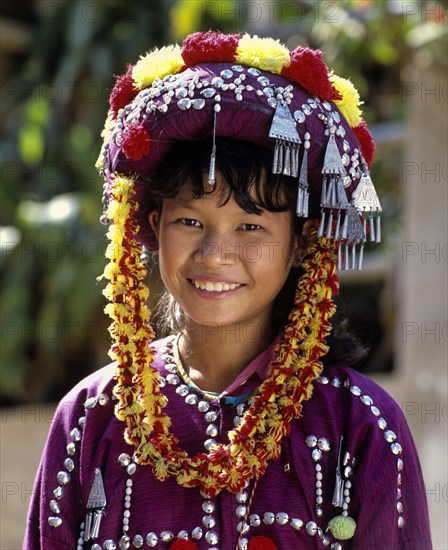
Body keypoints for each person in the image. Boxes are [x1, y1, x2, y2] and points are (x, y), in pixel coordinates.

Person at [24, 31, 432, 550]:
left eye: (251, 227)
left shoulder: (360, 424)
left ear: (301, 244)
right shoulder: (91, 418)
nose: (215, 254)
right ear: (154, 226)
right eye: (191, 221)